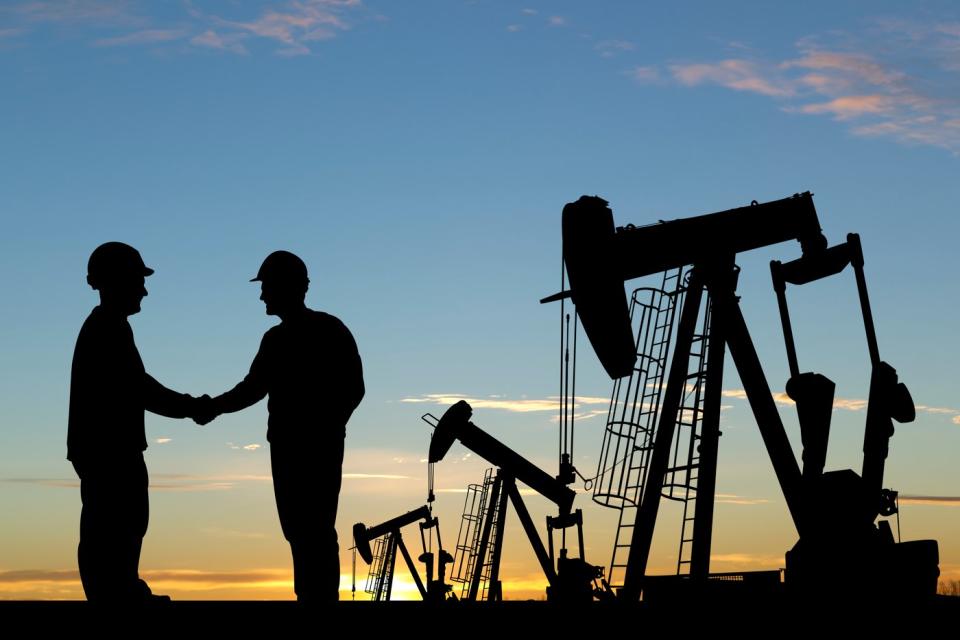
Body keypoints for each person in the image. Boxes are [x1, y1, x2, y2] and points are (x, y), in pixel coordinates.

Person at [196, 251, 364, 603]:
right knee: (302, 530)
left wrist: (324, 427)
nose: (262, 296)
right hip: (295, 447)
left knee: (312, 529)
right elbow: (253, 389)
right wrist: (215, 406)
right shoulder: (287, 337)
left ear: (288, 288)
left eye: (267, 287)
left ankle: (317, 600)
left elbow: (352, 388)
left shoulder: (319, 332)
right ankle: (312, 598)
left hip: (308, 447)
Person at [68, 241, 207, 603]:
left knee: (119, 528)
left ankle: (123, 591)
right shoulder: (107, 330)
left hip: (107, 452)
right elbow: (141, 390)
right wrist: (192, 407)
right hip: (112, 453)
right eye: (137, 280)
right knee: (117, 527)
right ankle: (119, 597)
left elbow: (138, 388)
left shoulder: (108, 328)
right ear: (117, 281)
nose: (144, 290)